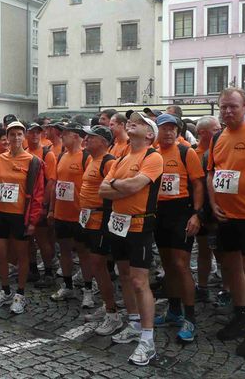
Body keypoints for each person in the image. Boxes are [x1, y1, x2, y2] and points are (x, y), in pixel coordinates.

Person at [98, 112, 163, 366]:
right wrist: (120, 185)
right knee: (123, 274)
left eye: (141, 122)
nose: (132, 122)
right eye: (131, 120)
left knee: (139, 281)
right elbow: (103, 190)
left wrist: (116, 184)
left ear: (149, 135)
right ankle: (134, 323)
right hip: (118, 223)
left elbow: (137, 185)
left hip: (139, 225)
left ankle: (148, 340)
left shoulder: (153, 156)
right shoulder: (122, 156)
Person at [207, 88, 245, 357]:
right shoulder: (217, 137)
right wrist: (213, 203)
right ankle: (240, 314)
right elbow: (212, 173)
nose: (228, 111)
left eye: (233, 106)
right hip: (226, 215)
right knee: (232, 267)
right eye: (223, 107)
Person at [153, 113, 205, 343]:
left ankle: (190, 318)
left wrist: (197, 214)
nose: (169, 132)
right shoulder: (152, 153)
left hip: (181, 212)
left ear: (178, 130)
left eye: (173, 128)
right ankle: (174, 311)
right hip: (159, 214)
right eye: (164, 128)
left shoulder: (186, 151)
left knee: (180, 264)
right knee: (167, 264)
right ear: (157, 130)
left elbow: (198, 183)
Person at [0, 121, 44, 314]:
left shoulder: (33, 161)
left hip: (21, 214)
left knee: (22, 256)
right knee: (0, 253)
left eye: (20, 134)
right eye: (12, 134)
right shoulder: (0, 159)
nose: (16, 138)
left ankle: (20, 294)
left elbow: (38, 193)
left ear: (25, 136)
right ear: (7, 137)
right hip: (2, 212)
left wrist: (33, 221)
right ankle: (5, 290)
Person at [79, 125, 122, 335]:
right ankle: (107, 305)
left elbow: (114, 192)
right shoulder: (90, 159)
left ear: (104, 142)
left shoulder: (109, 161)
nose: (86, 139)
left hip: (101, 221)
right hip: (89, 219)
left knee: (98, 264)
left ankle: (113, 314)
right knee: (94, 264)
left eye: (91, 137)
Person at [49, 123, 93, 307]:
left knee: (84, 253)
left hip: (80, 214)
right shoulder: (61, 156)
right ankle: (67, 286)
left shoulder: (86, 157)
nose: (62, 137)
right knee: (64, 251)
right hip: (61, 213)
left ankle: (88, 290)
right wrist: (51, 209)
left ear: (76, 136)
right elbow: (56, 185)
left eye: (65, 134)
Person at [193, 116, 222, 302]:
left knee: (224, 253)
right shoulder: (192, 153)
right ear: (202, 132)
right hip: (201, 209)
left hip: (218, 209)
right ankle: (202, 287)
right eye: (216, 129)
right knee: (203, 250)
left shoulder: (221, 150)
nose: (220, 131)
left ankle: (226, 288)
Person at [25, 123, 57, 288]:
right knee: (28, 238)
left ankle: (49, 271)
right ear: (26, 135)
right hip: (26, 204)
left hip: (40, 203)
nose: (35, 135)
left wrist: (45, 204)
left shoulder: (47, 154)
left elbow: (51, 181)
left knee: (42, 238)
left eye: (38, 133)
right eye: (31, 133)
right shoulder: (25, 152)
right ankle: (32, 269)